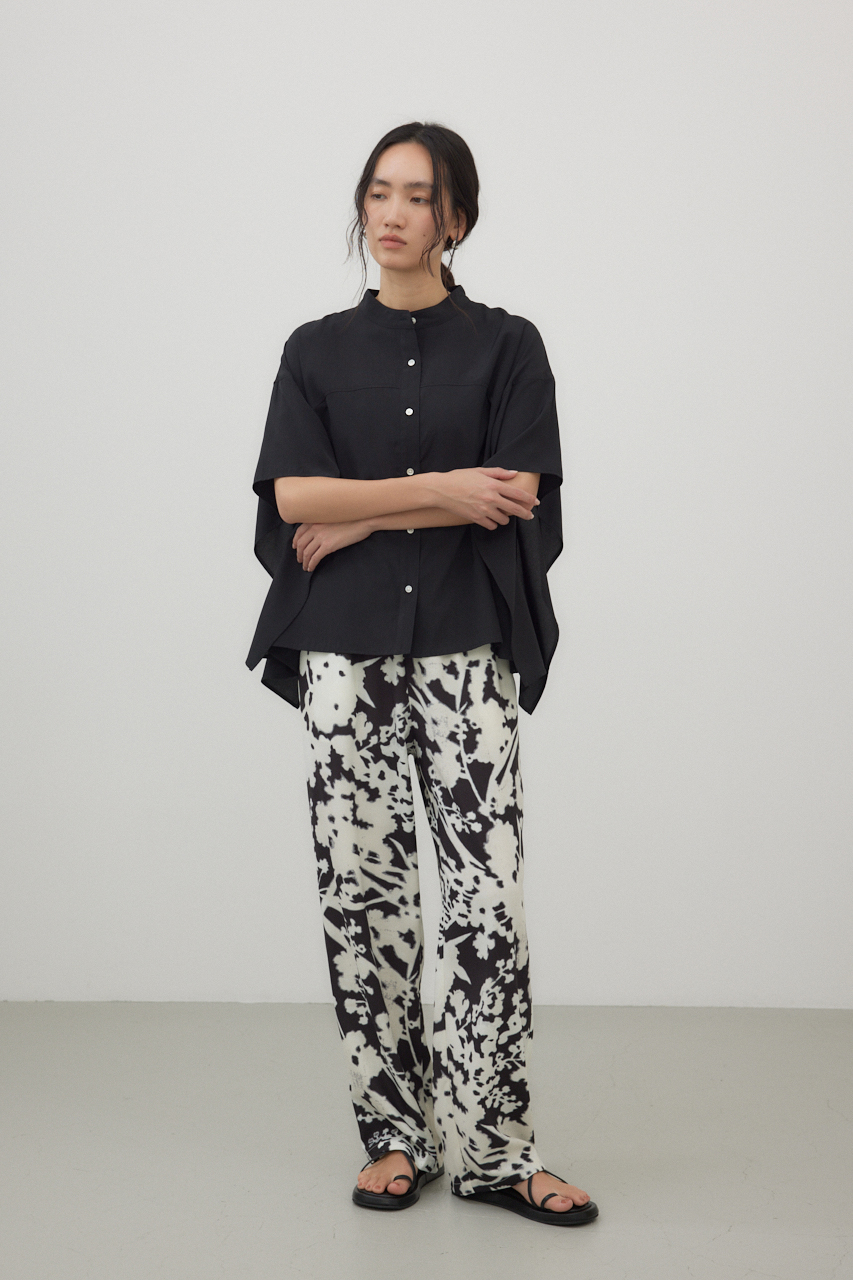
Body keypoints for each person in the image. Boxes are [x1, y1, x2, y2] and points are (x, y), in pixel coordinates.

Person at [246, 121, 598, 1227]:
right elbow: (293, 498)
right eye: (377, 192)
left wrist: (368, 512)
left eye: (417, 196)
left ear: (457, 218)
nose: (392, 213)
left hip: (463, 648)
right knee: (363, 896)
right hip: (343, 655)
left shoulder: (509, 346)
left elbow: (516, 493)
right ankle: (394, 1134)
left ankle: (496, 1150)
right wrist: (444, 488)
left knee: (487, 903)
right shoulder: (313, 350)